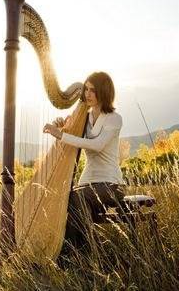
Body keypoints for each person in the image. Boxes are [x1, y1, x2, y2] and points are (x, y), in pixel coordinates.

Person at [43, 71, 125, 253]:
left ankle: (81, 252)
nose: (87, 94)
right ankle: (81, 252)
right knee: (66, 197)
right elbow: (68, 144)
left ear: (103, 92)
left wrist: (62, 135)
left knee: (76, 197)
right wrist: (61, 128)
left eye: (92, 90)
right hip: (88, 183)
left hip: (111, 184)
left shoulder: (114, 119)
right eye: (86, 89)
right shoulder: (83, 117)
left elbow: (97, 145)